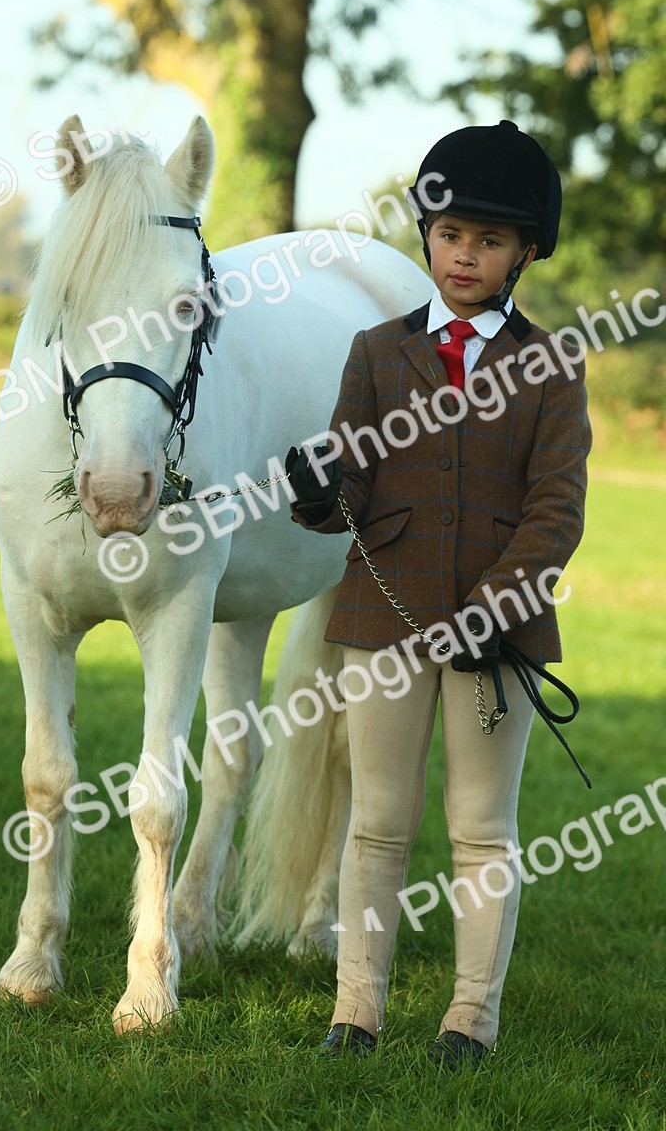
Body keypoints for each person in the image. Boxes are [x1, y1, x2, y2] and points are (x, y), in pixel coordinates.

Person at [285, 120, 591, 1070]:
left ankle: (470, 1018)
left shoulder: (552, 369)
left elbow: (556, 509)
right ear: (428, 235)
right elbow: (354, 492)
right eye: (452, 234)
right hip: (383, 621)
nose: (466, 255)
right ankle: (356, 1011)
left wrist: (492, 609)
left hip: (495, 638)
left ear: (524, 252)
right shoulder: (376, 353)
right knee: (376, 821)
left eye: (490, 240)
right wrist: (321, 491)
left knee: (480, 830)